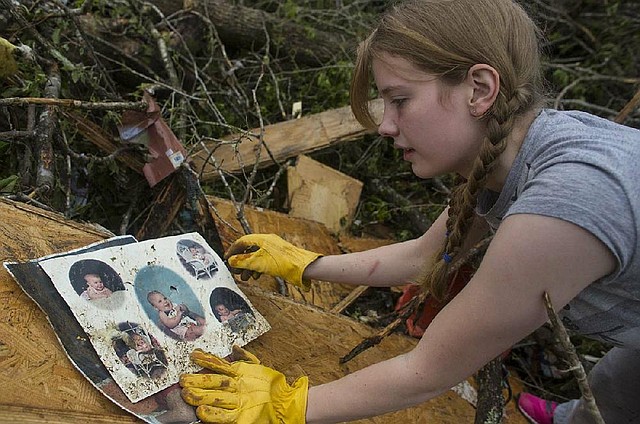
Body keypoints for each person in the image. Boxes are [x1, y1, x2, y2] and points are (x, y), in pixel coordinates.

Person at [179, 0, 640, 423]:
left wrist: (288, 406)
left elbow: (428, 370)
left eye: (400, 100)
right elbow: (423, 258)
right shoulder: (513, 153)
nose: (385, 124)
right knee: (617, 386)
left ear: (479, 89)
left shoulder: (565, 205)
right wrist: (306, 264)